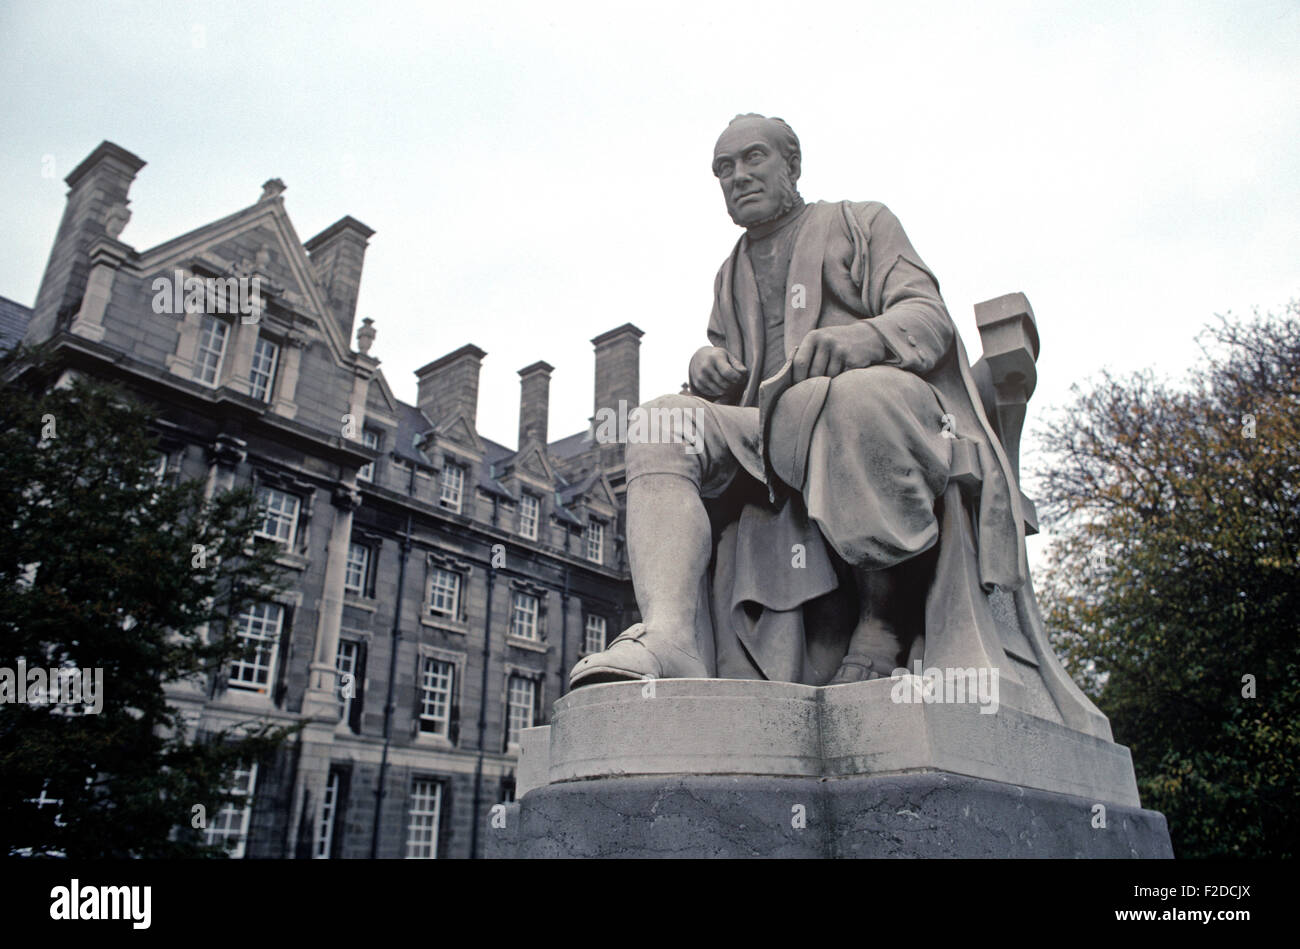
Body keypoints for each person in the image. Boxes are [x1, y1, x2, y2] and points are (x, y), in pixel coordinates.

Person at [570, 113, 1026, 688]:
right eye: (723, 168)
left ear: (793, 164)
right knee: (661, 421)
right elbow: (743, 379)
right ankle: (668, 638)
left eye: (753, 158)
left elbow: (928, 317)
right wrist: (707, 370)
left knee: (851, 400)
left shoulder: (861, 222)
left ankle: (883, 624)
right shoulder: (729, 272)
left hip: (879, 402)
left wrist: (863, 339)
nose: (738, 177)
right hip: (772, 428)